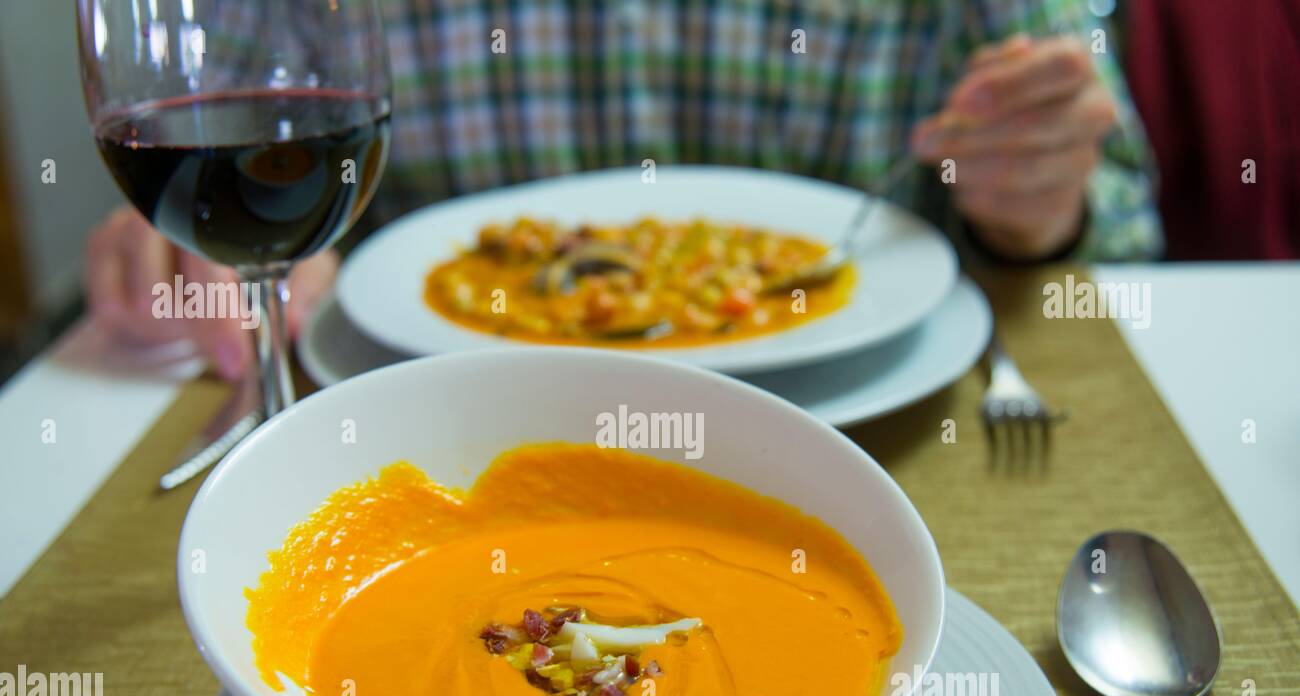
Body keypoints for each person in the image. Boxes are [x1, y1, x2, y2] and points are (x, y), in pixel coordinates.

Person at [85, 0, 1162, 382]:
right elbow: (205, 108)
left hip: (876, 431)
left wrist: (1040, 203)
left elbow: (1120, 225)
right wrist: (252, 240)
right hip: (430, 419)